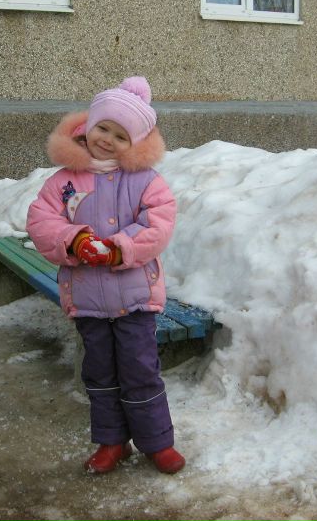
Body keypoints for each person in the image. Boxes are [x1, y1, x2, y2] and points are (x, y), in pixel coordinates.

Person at [26, 76, 185, 475]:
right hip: (88, 298)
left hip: (134, 297)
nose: (107, 140)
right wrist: (73, 240)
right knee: (99, 372)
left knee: (140, 369)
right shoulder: (63, 182)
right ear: (87, 126)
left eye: (120, 135)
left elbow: (159, 224)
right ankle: (112, 442)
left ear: (136, 143)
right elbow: (40, 222)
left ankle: (156, 442)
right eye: (102, 128)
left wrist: (119, 246)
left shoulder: (146, 181)